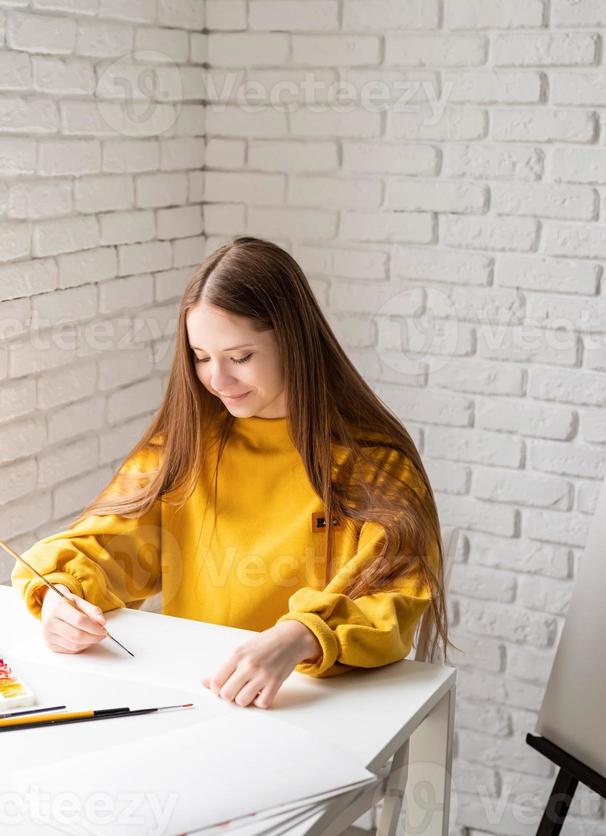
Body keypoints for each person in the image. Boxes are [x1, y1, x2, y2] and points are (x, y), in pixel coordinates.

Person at [12, 236, 450, 709]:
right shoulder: (184, 447)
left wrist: (301, 635)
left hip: (319, 707)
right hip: (199, 700)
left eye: (240, 357)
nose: (218, 380)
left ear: (294, 343)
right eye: (201, 357)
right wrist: (60, 597)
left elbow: (396, 594)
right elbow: (103, 547)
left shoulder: (375, 463)